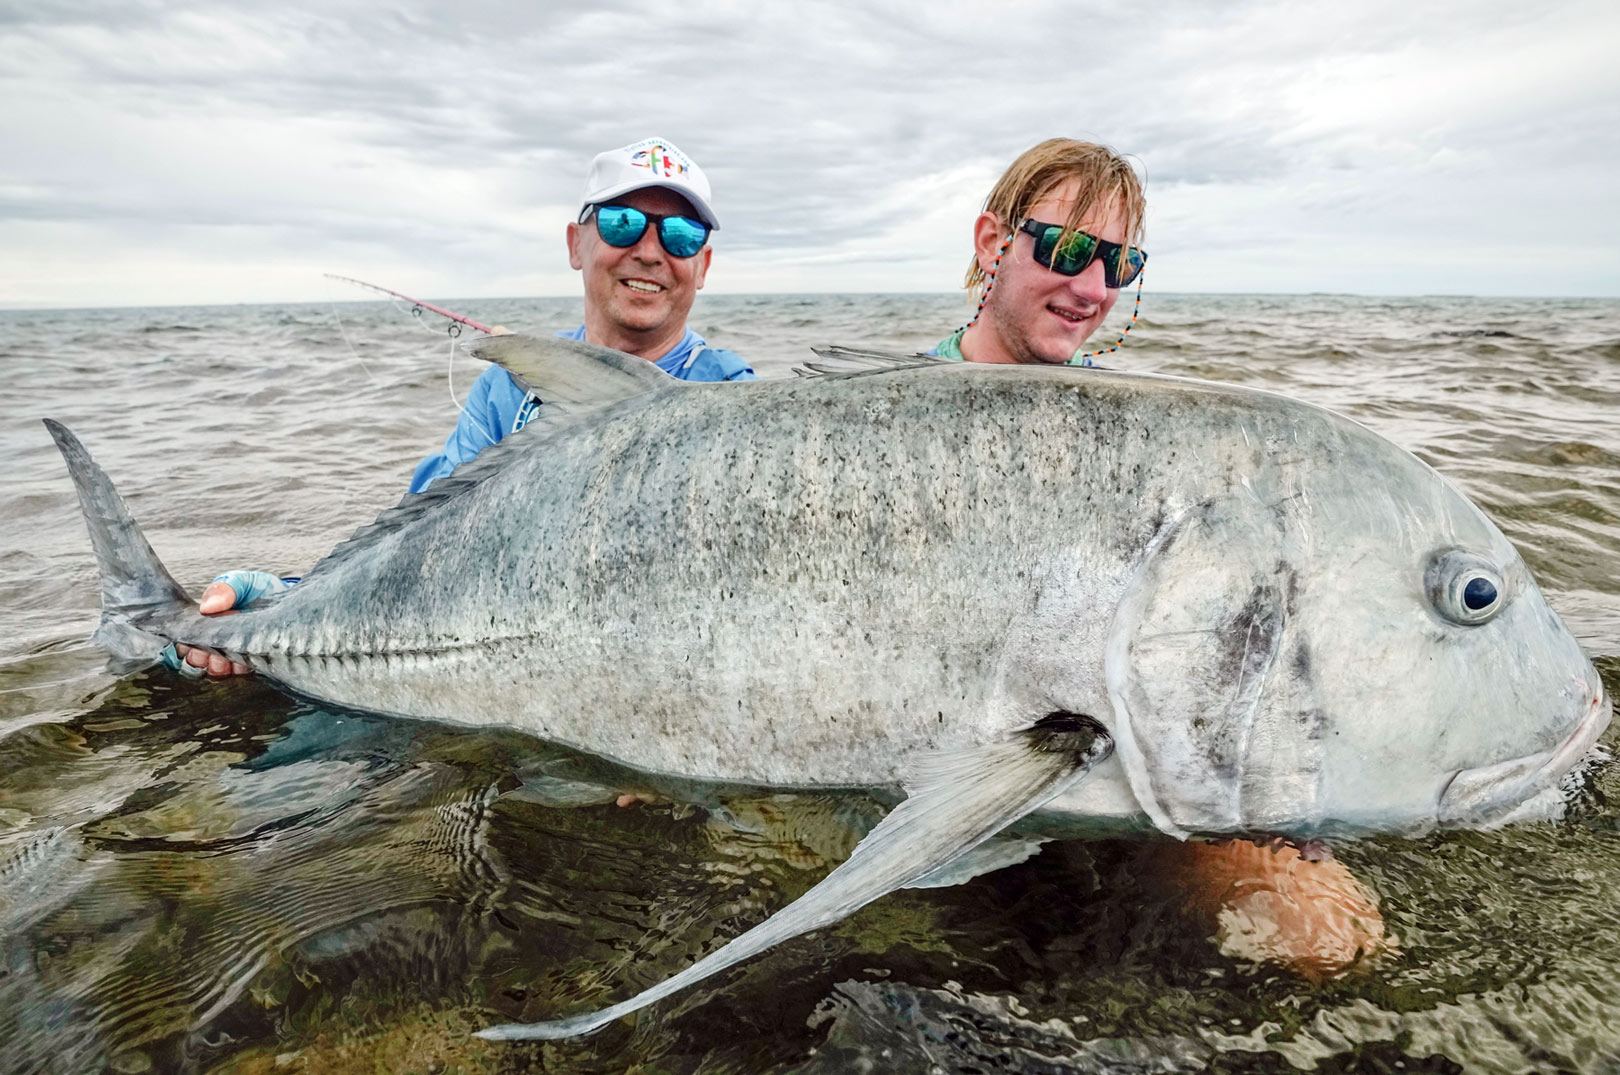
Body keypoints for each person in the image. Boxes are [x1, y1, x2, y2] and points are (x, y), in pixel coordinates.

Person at [939, 137, 1391, 978]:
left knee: (1331, 940)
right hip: (963, 774)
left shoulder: (1128, 429)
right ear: (989, 242)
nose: (1092, 289)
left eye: (1120, 263)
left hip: (1106, 758)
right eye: (1067, 249)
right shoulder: (891, 417)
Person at [174, 136, 754, 677]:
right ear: (577, 244)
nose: (650, 252)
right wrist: (284, 600)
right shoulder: (509, 389)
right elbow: (421, 547)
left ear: (702, 267)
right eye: (623, 223)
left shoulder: (732, 397)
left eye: (680, 235)